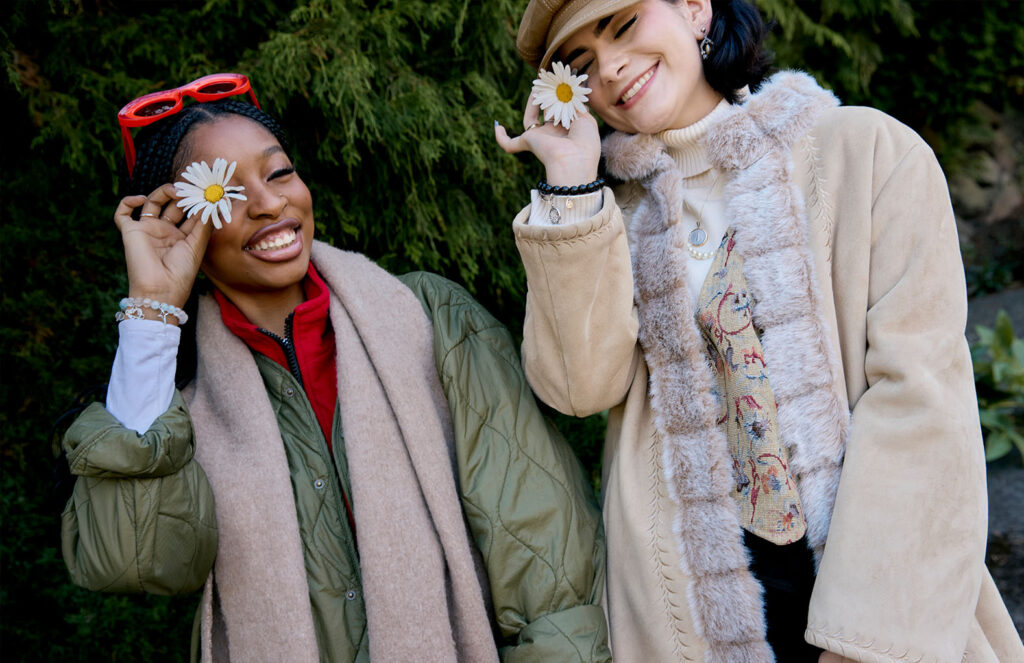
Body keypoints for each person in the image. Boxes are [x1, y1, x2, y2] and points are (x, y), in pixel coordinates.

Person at [494, 0, 1023, 661]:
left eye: (624, 26)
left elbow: (919, 402)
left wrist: (864, 642)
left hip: (881, 597)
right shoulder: (610, 223)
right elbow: (579, 386)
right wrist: (570, 186)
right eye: (580, 66)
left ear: (694, 9)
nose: (610, 69)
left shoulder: (865, 153)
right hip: (690, 615)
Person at [60, 73, 613, 662]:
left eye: (278, 173)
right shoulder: (171, 405)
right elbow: (135, 561)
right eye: (226, 192)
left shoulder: (432, 319)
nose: (271, 203)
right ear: (180, 220)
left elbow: (545, 558)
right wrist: (153, 312)